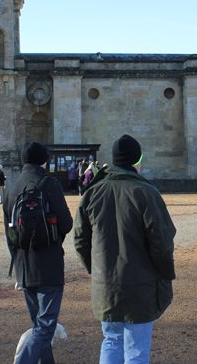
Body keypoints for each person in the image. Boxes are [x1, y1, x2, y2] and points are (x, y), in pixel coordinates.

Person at [73, 135, 176, 364]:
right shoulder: (146, 192)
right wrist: (166, 273)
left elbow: (80, 240)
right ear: (137, 160)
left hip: (106, 283)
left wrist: (97, 269)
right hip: (140, 284)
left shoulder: (93, 192)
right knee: (136, 350)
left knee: (111, 341)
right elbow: (162, 242)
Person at [4, 141, 73, 364]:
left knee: (39, 325)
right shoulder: (49, 183)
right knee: (46, 326)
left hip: (24, 265)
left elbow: (9, 233)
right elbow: (66, 223)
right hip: (49, 263)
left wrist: (17, 261)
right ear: (44, 160)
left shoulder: (12, 188)